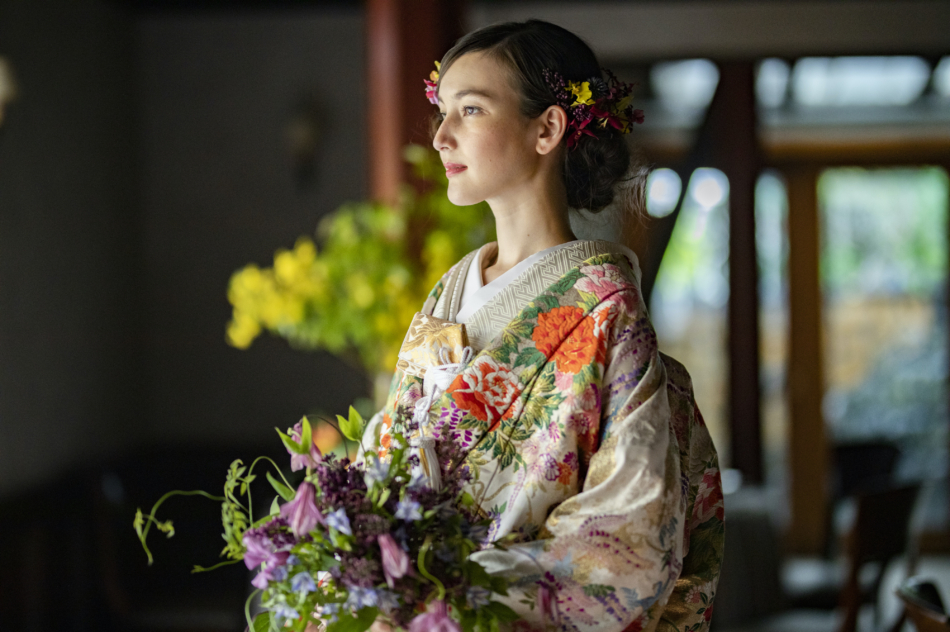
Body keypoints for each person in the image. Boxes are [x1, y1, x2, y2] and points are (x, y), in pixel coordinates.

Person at [360, 20, 724, 632]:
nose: (443, 136)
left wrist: (452, 597)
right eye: (441, 112)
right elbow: (391, 448)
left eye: (470, 109)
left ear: (547, 128)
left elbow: (625, 533)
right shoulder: (450, 292)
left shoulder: (604, 305)